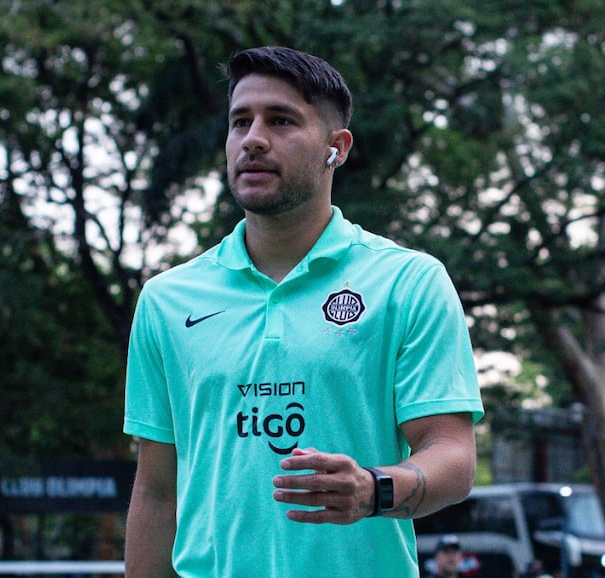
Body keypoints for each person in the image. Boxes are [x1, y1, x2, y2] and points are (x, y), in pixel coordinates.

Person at [123, 46, 484, 577]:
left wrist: (372, 489)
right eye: (240, 121)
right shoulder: (165, 300)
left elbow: (452, 455)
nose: (254, 139)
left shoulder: (408, 282)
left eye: (282, 120)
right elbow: (156, 494)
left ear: (335, 149)